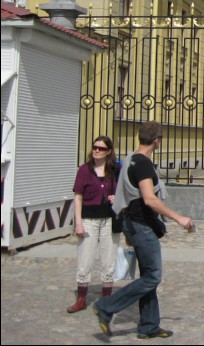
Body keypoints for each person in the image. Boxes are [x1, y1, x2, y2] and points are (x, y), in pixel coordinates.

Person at [93, 122, 194, 339]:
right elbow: (150, 199)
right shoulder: (143, 164)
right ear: (157, 141)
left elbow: (126, 196)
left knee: (148, 275)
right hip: (142, 225)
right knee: (153, 276)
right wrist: (178, 218)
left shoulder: (130, 158)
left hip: (133, 222)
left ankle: (149, 325)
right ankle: (106, 307)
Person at [67, 136, 119, 313]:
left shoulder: (115, 170)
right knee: (85, 258)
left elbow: (124, 191)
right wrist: (78, 223)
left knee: (108, 260)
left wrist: (117, 198)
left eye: (101, 148)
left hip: (109, 219)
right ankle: (81, 299)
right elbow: (78, 197)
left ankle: (106, 300)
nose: (97, 150)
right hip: (89, 219)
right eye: (95, 147)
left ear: (109, 152)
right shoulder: (84, 170)